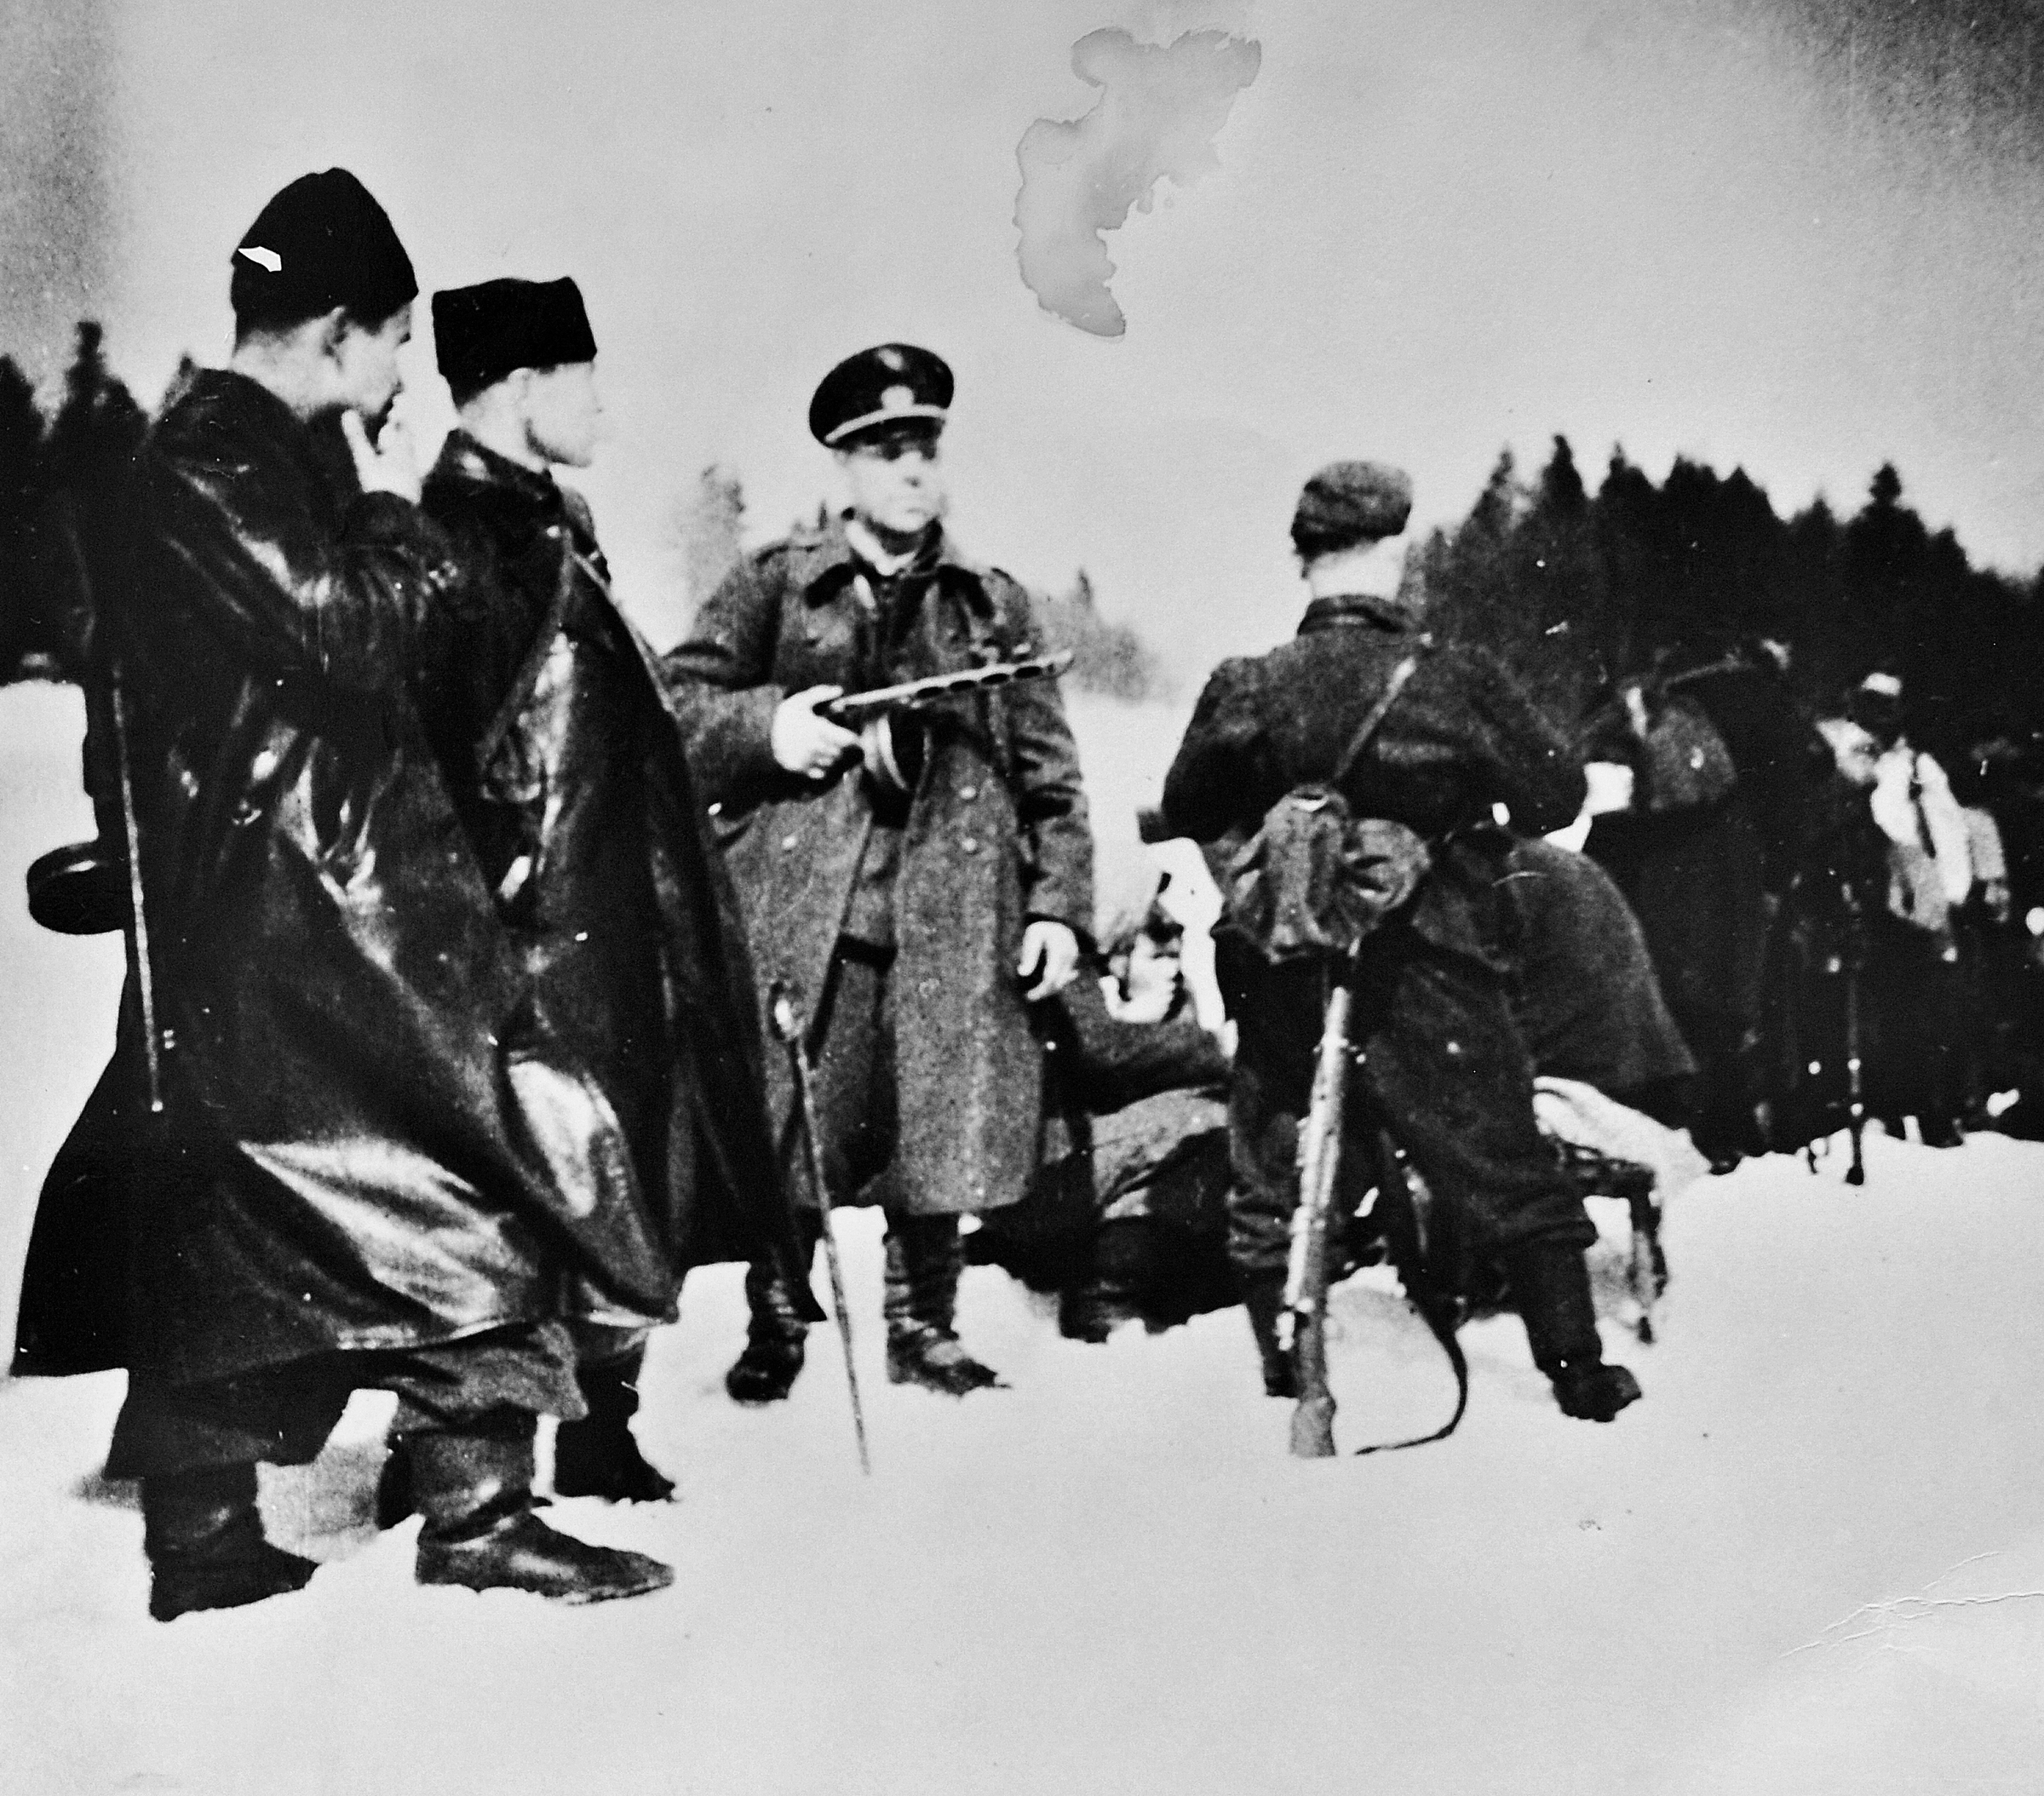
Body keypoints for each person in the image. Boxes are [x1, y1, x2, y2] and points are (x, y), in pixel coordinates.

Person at [10, 173, 784, 1618]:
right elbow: (347, 629)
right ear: (338, 332)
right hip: (306, 912)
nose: (401, 375)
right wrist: (385, 504)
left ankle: (216, 1533)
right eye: (394, 343)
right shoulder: (214, 461)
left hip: (311, 902)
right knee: (482, 1168)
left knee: (255, 1214)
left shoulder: (247, 452)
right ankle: (465, 1512)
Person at [406, 274, 794, 1505]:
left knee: (629, 1175)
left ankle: (599, 1423)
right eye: (586, 381)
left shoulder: (557, 522)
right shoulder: (451, 540)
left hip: (614, 915)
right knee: (519, 1194)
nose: (606, 409)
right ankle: (455, 1452)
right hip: (526, 933)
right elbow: (435, 753)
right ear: (523, 387)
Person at [1157, 460, 1640, 1423]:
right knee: (1505, 1163)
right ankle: (1578, 1370)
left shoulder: (1247, 685)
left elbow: (1187, 806)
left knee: (1275, 1170)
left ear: (1303, 561)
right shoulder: (1455, 680)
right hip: (1433, 961)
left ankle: (1287, 1371)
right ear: (1393, 554)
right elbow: (1556, 799)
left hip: (1286, 961)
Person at [664, 343, 1094, 1399]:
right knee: (793, 1120)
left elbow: (1053, 780)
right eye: (888, 451)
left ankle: (924, 1324)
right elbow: (676, 708)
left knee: (936, 1120)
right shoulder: (777, 584)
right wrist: (771, 728)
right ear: (846, 467)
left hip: (953, 914)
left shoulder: (994, 608)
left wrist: (1057, 910)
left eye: (926, 450)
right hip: (812, 914)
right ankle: (778, 1318)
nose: (912, 471)